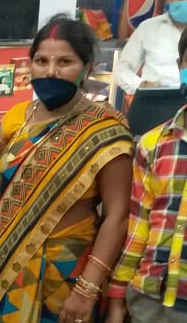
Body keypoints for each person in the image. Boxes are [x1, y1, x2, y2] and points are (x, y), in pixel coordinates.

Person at [0, 16, 134, 323]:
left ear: (87, 68)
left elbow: (118, 215)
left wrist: (87, 289)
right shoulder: (17, 117)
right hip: (1, 262)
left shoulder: (105, 130)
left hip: (64, 273)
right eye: (41, 61)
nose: (50, 71)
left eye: (64, 62)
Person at [106, 28, 187, 323]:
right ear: (180, 65)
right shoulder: (154, 144)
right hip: (150, 301)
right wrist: (117, 296)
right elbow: (138, 228)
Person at [115, 0, 187, 94]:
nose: (185, 1)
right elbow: (122, 70)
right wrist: (143, 85)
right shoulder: (148, 28)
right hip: (154, 100)